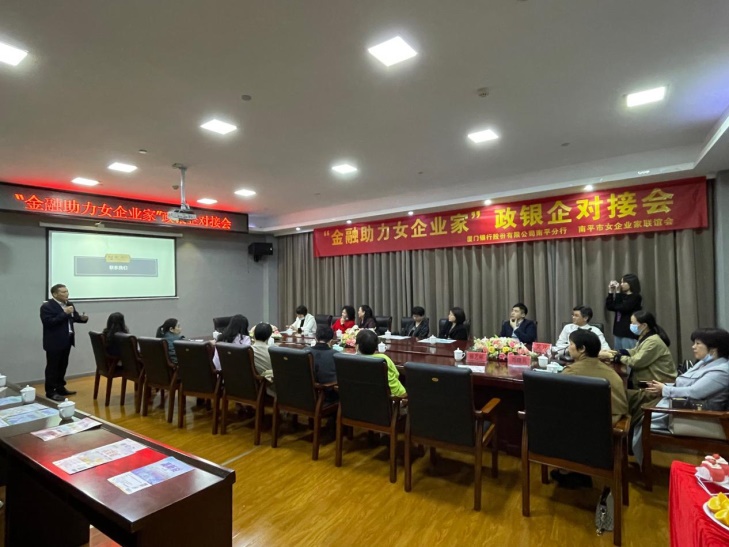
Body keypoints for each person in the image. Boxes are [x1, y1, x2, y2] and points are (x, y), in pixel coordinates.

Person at [631, 328, 729, 466]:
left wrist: (665, 390)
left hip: (695, 414)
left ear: (713, 349)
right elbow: (684, 382)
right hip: (679, 403)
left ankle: (639, 464)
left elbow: (694, 392)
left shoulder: (722, 371)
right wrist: (663, 387)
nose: (693, 347)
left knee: (637, 415)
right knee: (634, 401)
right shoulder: (704, 362)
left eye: (698, 343)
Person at [551, 329, 630, 489]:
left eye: (571, 344)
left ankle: (568, 470)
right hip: (613, 427)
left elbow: (558, 401)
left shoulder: (572, 372)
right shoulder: (611, 372)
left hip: (588, 430)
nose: (568, 347)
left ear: (582, 349)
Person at [599, 310, 676, 424]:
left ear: (644, 325)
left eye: (633, 323)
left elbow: (636, 362)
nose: (631, 326)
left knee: (619, 396)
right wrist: (617, 352)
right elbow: (635, 351)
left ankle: (623, 426)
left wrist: (615, 357)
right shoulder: (645, 337)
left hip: (655, 387)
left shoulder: (653, 341)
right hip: (646, 382)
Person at [40, 283, 88, 401]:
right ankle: (50, 391)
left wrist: (83, 319)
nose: (67, 294)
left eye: (67, 291)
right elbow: (49, 322)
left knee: (63, 365)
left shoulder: (69, 304)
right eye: (63, 292)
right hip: (54, 342)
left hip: (67, 340)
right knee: (52, 367)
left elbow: (74, 317)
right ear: (55, 294)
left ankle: (60, 387)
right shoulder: (47, 307)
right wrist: (64, 313)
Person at [356, 329, 406, 397]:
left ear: (357, 346)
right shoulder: (383, 358)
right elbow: (396, 374)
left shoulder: (353, 360)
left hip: (365, 396)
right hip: (393, 395)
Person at [606, 273, 643, 350]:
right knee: (618, 354)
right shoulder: (621, 296)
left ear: (631, 283)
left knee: (628, 354)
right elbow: (610, 307)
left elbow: (623, 308)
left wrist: (618, 292)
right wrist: (610, 292)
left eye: (624, 282)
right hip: (618, 331)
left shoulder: (636, 297)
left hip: (628, 332)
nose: (621, 284)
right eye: (621, 282)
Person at [305, 325, 339, 403]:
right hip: (327, 397)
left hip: (305, 395)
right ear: (331, 341)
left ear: (315, 338)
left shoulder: (304, 352)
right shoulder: (336, 355)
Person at [251, 322, 275, 395]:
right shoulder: (272, 351)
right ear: (269, 336)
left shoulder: (248, 349)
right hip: (268, 384)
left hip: (251, 386)